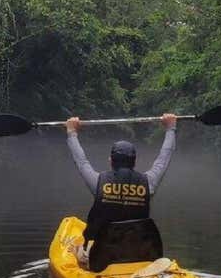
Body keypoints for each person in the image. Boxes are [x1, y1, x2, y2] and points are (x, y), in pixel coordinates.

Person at [65, 113, 177, 267]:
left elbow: (81, 161)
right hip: (141, 256)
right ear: (135, 161)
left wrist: (72, 132)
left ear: (111, 161)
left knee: (76, 249)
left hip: (103, 259)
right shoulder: (148, 183)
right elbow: (164, 158)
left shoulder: (98, 183)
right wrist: (171, 128)